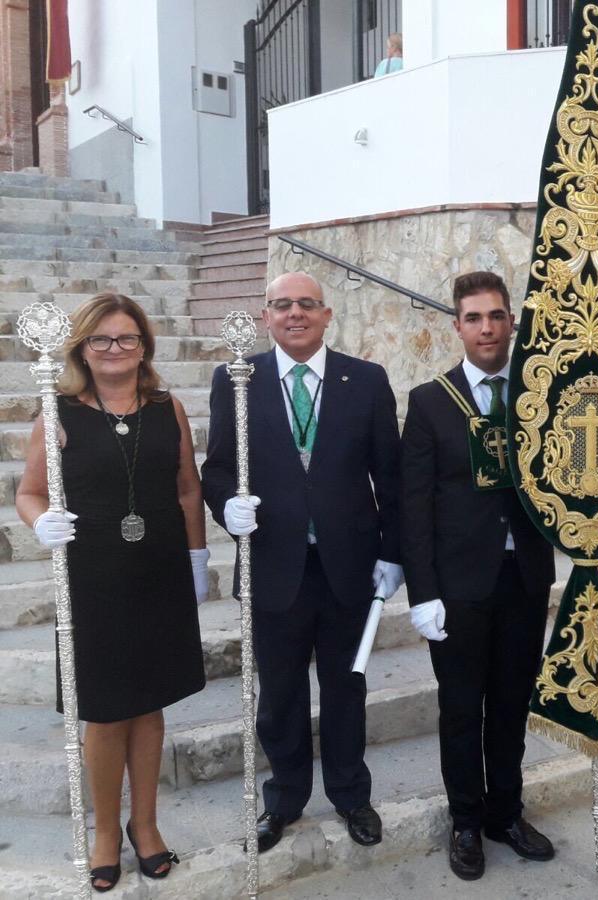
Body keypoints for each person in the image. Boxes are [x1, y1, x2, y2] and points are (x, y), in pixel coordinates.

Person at [201, 271, 404, 853]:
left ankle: (350, 795)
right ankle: (284, 799)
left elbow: (388, 474)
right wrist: (227, 508)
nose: (295, 314)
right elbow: (217, 468)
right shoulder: (236, 379)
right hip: (273, 562)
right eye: (283, 305)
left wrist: (394, 553)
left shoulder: (365, 379)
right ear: (266, 315)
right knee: (282, 692)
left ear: (327, 315)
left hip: (350, 565)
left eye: (307, 305)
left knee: (347, 688)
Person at [17, 293, 208, 890]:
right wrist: (39, 523)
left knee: (149, 707)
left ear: (145, 346)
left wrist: (198, 557)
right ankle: (105, 831)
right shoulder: (59, 412)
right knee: (103, 714)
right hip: (93, 575)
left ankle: (144, 825)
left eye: (127, 338)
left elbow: (187, 489)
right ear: (82, 348)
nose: (114, 349)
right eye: (100, 340)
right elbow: (30, 492)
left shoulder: (165, 406)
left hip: (159, 572)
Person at [400, 271, 557, 881]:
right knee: (462, 709)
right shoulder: (429, 401)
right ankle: (466, 820)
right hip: (459, 587)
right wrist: (424, 593)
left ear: (511, 322)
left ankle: (505, 813)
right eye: (474, 318)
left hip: (525, 577)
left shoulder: (539, 396)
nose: (486, 328)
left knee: (513, 703)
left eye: (496, 316)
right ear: (457, 325)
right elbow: (414, 506)